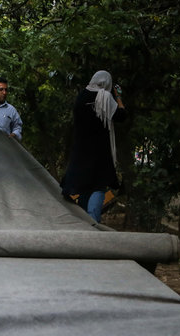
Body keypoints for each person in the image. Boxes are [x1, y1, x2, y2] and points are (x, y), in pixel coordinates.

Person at [60, 70, 126, 223]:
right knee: (98, 185)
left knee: (84, 187)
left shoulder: (81, 97)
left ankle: (83, 226)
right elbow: (121, 115)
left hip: (81, 150)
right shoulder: (104, 97)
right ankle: (93, 224)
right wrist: (119, 97)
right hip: (99, 152)